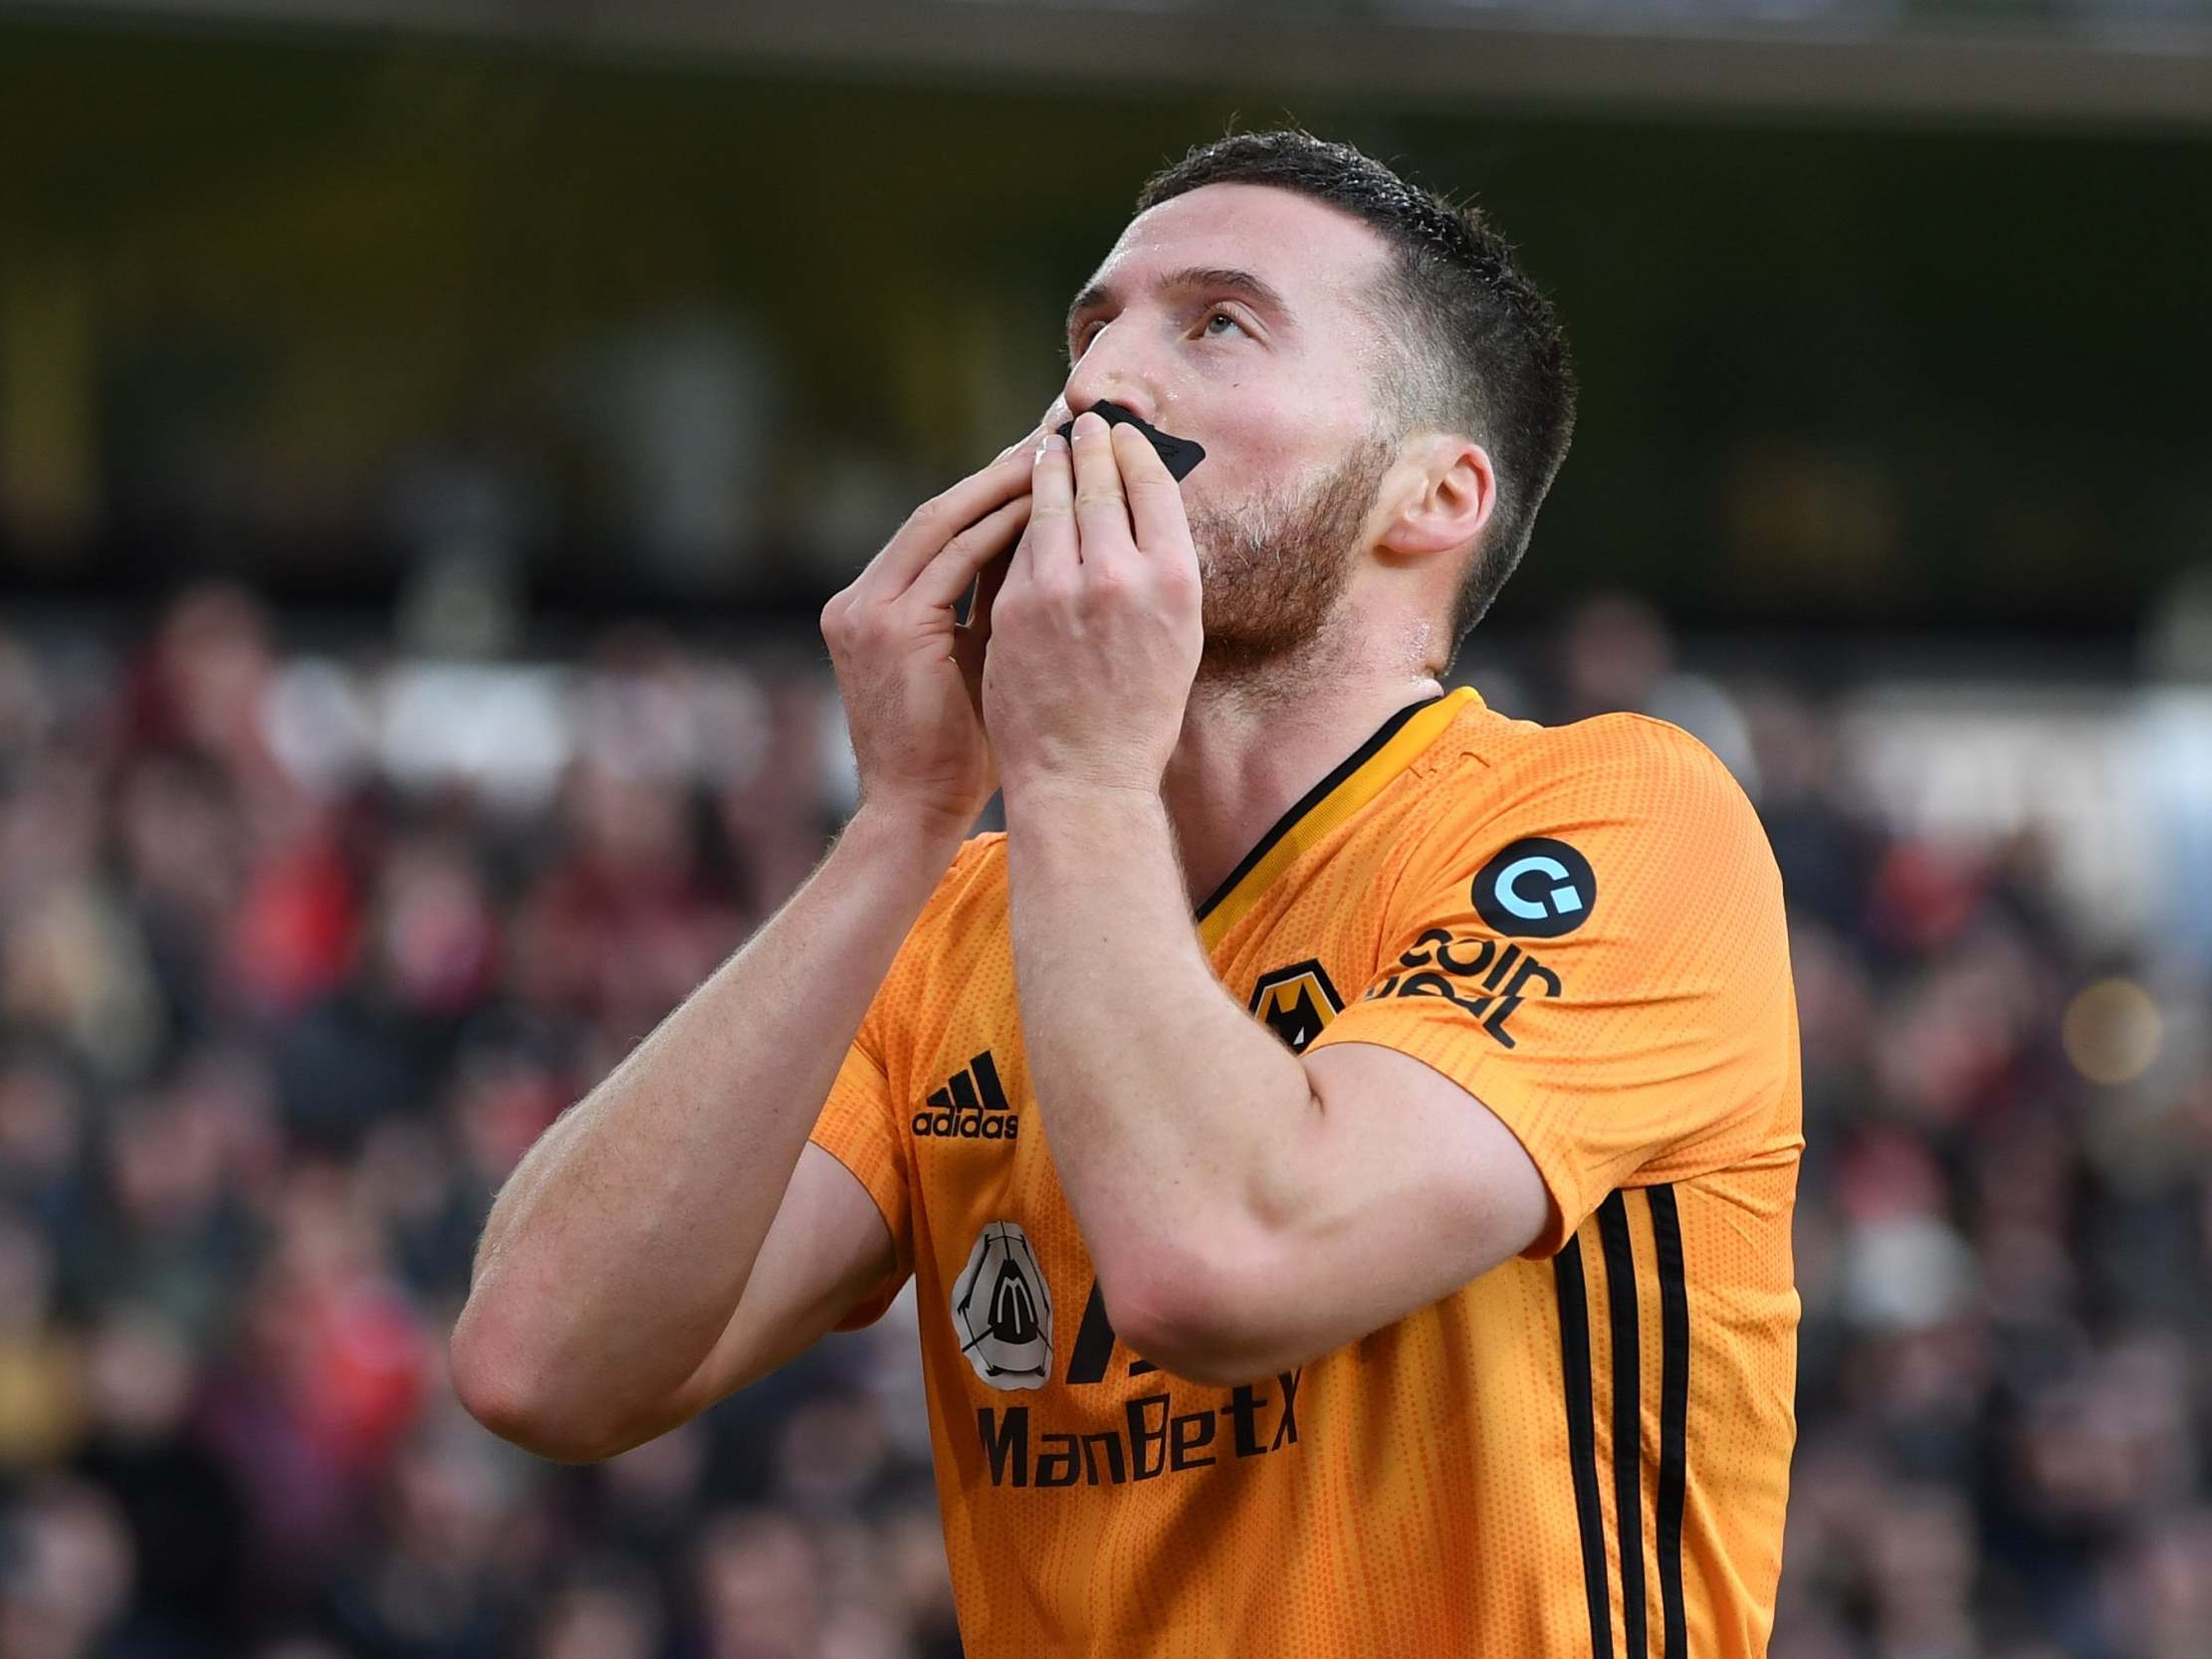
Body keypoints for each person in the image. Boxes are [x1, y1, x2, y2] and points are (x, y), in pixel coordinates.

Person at [452, 129, 1802, 1658]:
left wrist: (1077, 780)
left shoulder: (1622, 815)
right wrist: (905, 817)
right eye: (1087, 334)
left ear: (1431, 496)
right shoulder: (963, 920)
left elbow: (1224, 1260)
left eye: (1214, 325)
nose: (1100, 393)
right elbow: (541, 1365)